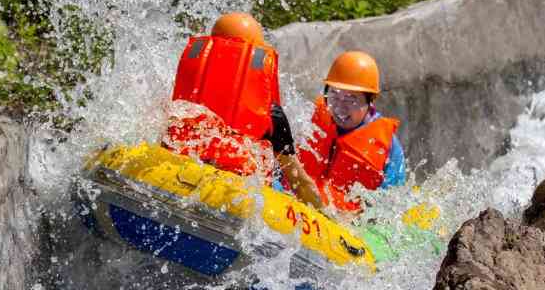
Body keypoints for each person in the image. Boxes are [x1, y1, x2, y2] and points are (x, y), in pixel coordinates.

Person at [164, 12, 322, 209]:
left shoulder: (185, 93)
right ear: (254, 54)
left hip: (176, 177)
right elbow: (298, 179)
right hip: (239, 198)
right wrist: (325, 216)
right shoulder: (272, 114)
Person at [297, 50, 406, 215]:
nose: (340, 107)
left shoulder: (389, 148)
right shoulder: (308, 121)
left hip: (344, 225)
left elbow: (392, 210)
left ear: (371, 100)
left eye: (351, 99)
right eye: (334, 95)